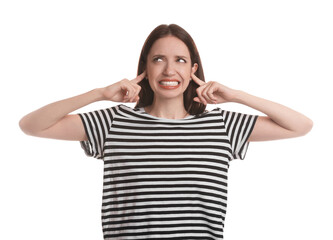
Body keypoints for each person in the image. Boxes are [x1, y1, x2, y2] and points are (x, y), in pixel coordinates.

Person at [19, 24, 313, 240]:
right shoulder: (113, 122)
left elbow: (300, 125)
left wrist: (237, 95)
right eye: (158, 59)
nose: (169, 70)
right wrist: (98, 94)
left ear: (193, 69)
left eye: (180, 60)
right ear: (145, 68)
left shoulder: (221, 125)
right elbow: (32, 125)